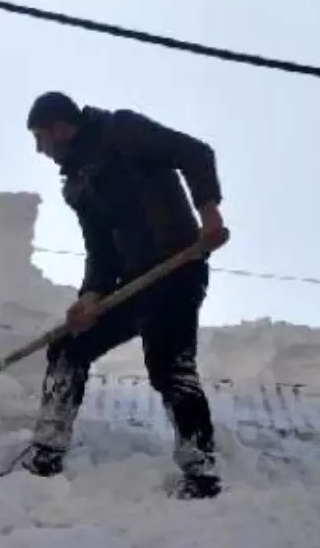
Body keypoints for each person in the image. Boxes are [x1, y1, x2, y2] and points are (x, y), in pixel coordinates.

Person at [23, 91, 226, 499]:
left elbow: (195, 153)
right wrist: (91, 296)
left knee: (170, 365)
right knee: (68, 345)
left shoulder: (121, 132)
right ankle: (46, 450)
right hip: (132, 283)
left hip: (177, 268)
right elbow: (100, 249)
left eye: (40, 137)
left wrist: (209, 213)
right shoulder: (77, 184)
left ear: (60, 127)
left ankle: (200, 469)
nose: (39, 149)